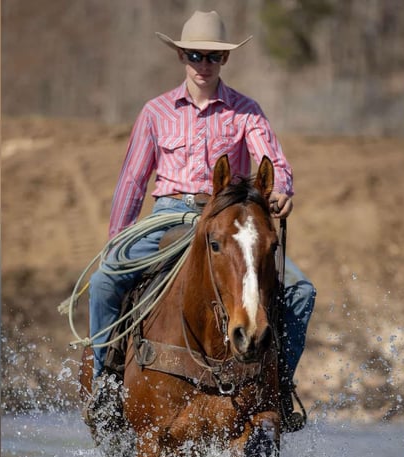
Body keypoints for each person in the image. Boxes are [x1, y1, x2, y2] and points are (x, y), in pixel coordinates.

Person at [87, 10, 315, 432]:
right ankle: (106, 381)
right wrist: (116, 239)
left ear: (224, 61)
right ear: (181, 57)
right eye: (195, 55)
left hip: (228, 218)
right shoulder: (155, 112)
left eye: (213, 56)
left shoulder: (247, 111)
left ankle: (280, 388)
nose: (203, 64)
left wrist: (281, 189)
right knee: (105, 281)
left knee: (302, 292)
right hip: (169, 214)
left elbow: (275, 162)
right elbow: (133, 180)